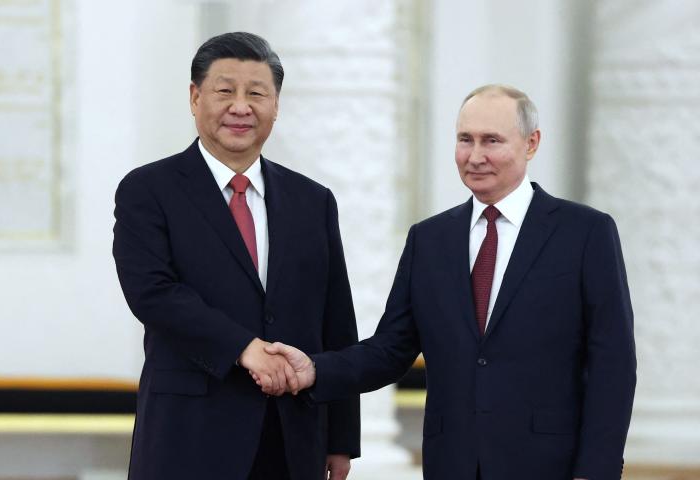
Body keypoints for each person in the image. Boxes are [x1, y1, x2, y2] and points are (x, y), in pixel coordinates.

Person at [263, 85, 637, 480]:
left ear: (532, 143)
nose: (475, 156)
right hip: (452, 463)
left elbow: (612, 363)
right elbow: (390, 350)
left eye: (491, 141)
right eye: (465, 140)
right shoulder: (428, 240)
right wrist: (315, 370)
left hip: (549, 465)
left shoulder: (585, 233)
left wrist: (597, 469)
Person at [113, 32, 360, 480]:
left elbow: (335, 319)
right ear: (195, 97)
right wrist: (244, 348)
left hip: (292, 436)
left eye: (257, 94)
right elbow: (152, 293)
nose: (241, 107)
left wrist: (342, 438)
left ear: (276, 105)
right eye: (225, 91)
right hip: (188, 436)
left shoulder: (313, 200)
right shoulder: (149, 190)